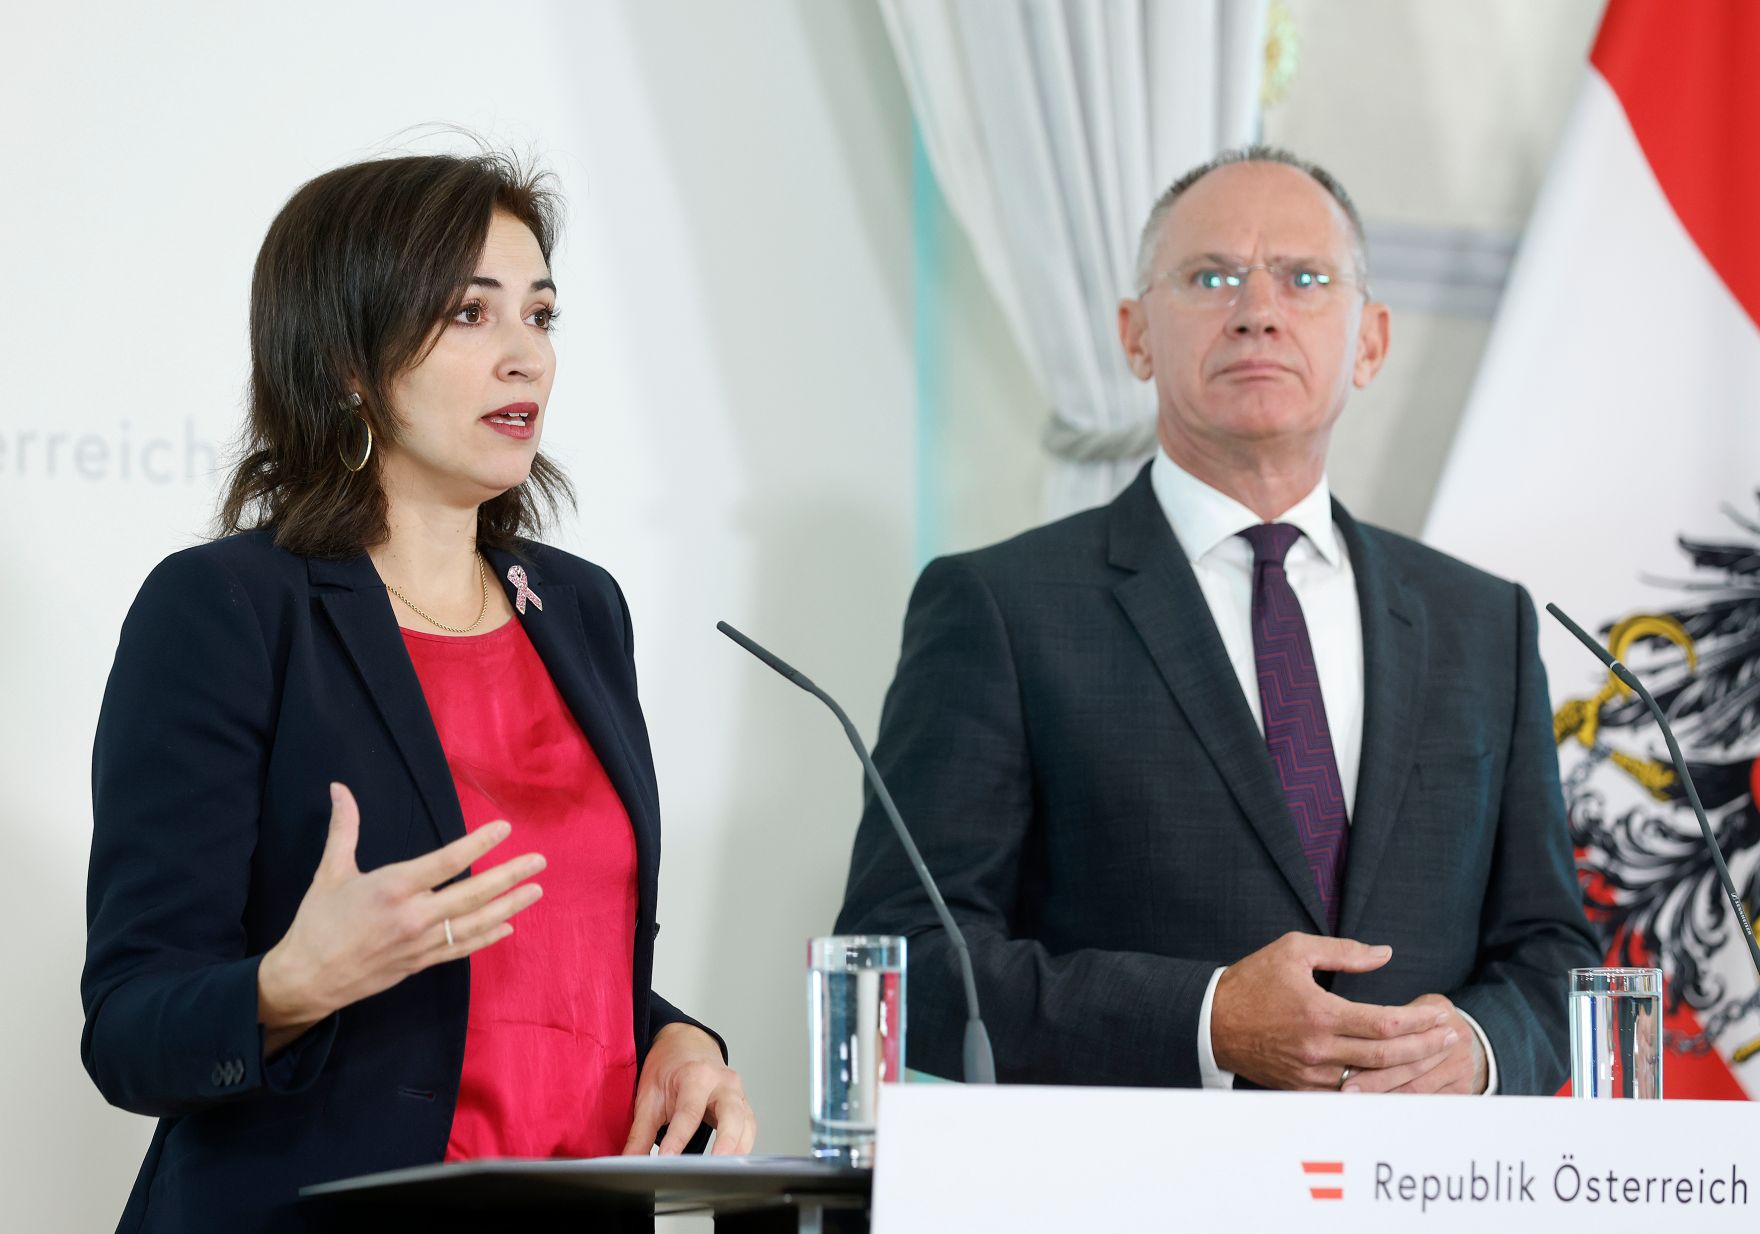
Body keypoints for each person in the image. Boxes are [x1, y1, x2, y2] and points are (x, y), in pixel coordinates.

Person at [81, 152, 754, 1234]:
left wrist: (676, 1038)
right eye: (468, 314)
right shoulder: (229, 610)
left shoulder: (579, 610)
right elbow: (128, 1025)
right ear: (348, 362)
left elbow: (546, 966)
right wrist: (292, 982)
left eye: (539, 313)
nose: (523, 353)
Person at [836, 146, 1597, 1096]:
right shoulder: (1001, 607)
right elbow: (903, 959)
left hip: (1417, 1193)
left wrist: (1480, 1053)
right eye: (1211, 276)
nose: (1258, 308)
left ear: (1371, 341)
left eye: (1306, 278)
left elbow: (1554, 950)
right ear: (1135, 335)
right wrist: (1206, 1021)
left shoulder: (1483, 624)